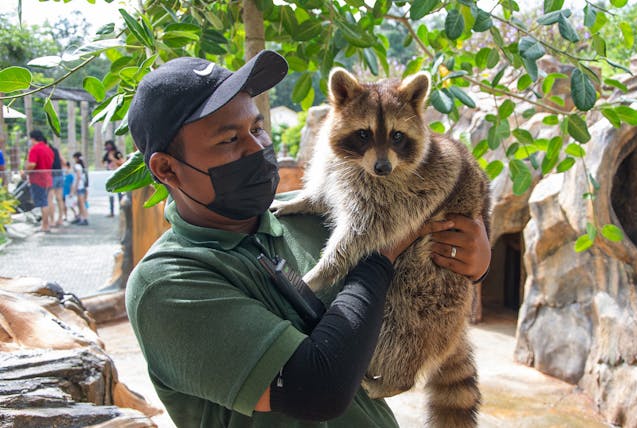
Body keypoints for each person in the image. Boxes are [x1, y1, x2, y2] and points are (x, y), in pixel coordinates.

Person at [125, 51, 491, 427]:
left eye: (256, 128)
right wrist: (380, 256)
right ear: (167, 168)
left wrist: (473, 261)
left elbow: (420, 269)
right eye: (230, 140)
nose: (256, 148)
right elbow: (319, 388)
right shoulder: (169, 283)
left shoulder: (302, 218)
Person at [24, 130, 54, 232]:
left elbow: (32, 164)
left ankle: (45, 226)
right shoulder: (48, 149)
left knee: (42, 203)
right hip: (48, 178)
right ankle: (46, 224)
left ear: (33, 138)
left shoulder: (35, 149)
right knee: (46, 201)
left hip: (38, 179)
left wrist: (25, 172)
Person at [102, 139, 125, 217]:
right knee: (110, 195)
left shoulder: (118, 153)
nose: (107, 147)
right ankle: (111, 212)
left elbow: (122, 162)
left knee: (120, 194)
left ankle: (122, 211)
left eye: (109, 145)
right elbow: (103, 162)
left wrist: (113, 159)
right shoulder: (107, 154)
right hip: (109, 175)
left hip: (118, 176)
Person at [47, 142, 67, 227]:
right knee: (59, 198)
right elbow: (64, 161)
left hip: (51, 176)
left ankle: (52, 220)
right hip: (60, 175)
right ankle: (60, 219)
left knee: (50, 198)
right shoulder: (56, 151)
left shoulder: (47, 151)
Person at [71, 152, 89, 226]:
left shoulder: (77, 166)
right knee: (80, 203)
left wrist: (75, 187)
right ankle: (81, 217)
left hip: (79, 187)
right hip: (83, 186)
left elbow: (78, 177)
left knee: (81, 204)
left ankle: (84, 218)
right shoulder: (82, 166)